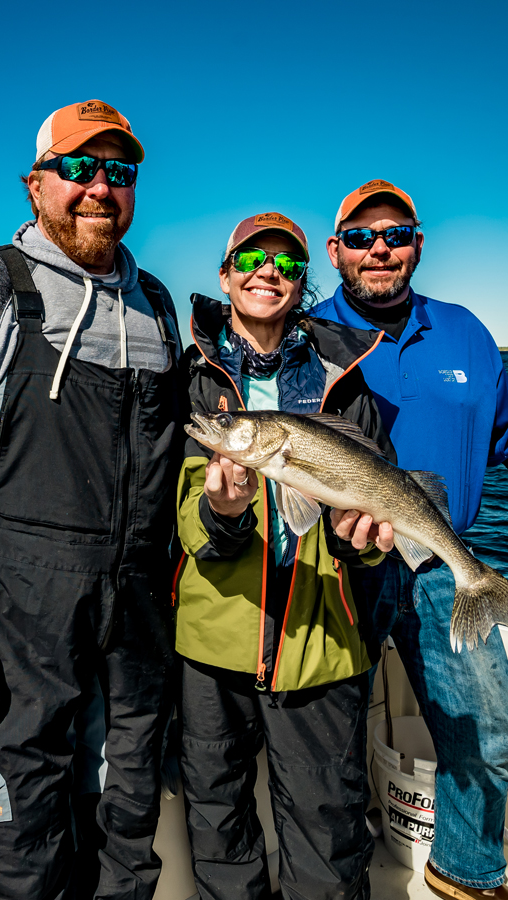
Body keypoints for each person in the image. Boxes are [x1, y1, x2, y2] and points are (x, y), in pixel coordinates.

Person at [0, 99, 182, 900]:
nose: (98, 188)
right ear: (36, 185)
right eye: (76, 169)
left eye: (118, 171)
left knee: (126, 833)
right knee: (16, 849)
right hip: (10, 635)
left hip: (136, 632)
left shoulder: (161, 308)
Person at [313, 179, 508, 900]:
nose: (379, 249)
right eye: (360, 238)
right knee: (326, 745)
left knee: (489, 732)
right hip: (337, 568)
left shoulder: (464, 332)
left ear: (417, 244)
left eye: (394, 234)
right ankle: (332, 883)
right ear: (335, 251)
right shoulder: (307, 337)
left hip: (440, 567)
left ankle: (464, 876)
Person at [174, 211, 397, 900]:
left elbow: (368, 520)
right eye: (249, 260)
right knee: (218, 829)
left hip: (323, 640)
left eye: (287, 265)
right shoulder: (190, 378)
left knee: (328, 838)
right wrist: (223, 513)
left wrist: (363, 548)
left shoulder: (350, 381)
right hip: (214, 643)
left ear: (303, 283)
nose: (267, 273)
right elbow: (180, 517)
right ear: (225, 275)